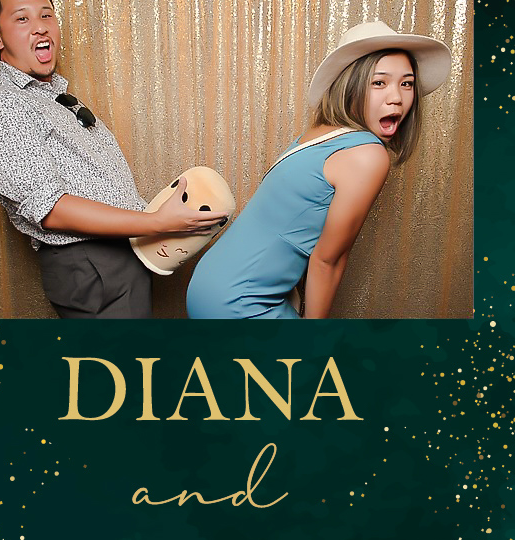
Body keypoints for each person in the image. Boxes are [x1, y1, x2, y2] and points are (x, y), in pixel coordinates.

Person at [0, 0, 228, 320]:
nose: (40, 27)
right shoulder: (1, 106)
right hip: (92, 264)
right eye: (22, 18)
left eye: (46, 15)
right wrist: (156, 223)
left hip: (117, 255)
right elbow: (50, 209)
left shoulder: (50, 96)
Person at [186, 20, 451, 320]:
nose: (397, 98)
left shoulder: (318, 135)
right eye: (379, 83)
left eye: (407, 83)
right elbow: (328, 261)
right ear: (350, 86)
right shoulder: (367, 155)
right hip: (238, 302)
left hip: (210, 284)